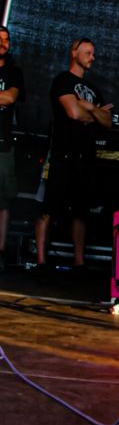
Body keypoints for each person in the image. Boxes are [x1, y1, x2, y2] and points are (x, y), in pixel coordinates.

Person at [36, 38, 113, 274]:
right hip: (63, 154)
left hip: (85, 156)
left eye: (93, 53)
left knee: (81, 211)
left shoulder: (94, 91)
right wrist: (93, 111)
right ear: (74, 53)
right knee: (48, 208)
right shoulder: (63, 81)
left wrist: (88, 107)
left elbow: (107, 122)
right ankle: (41, 261)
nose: (92, 57)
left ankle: (79, 262)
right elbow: (72, 113)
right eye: (88, 52)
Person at [0, 26, 25, 271]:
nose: (3, 43)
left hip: (2, 143)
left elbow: (9, 98)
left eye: (6, 40)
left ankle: (0, 250)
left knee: (3, 201)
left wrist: (5, 95)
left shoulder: (13, 72)